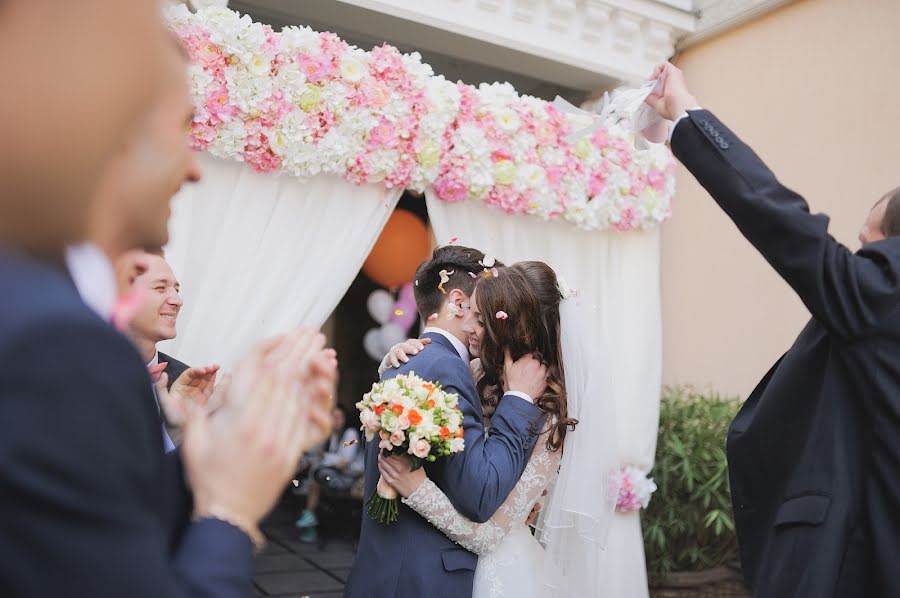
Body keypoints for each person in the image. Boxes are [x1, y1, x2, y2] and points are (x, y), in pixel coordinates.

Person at [0, 6, 339, 595]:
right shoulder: (56, 343)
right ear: (109, 133)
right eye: (179, 130)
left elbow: (84, 532)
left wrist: (223, 446)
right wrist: (231, 509)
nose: (193, 170)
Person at [643, 62, 900, 596]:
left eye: (867, 244)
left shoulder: (881, 297)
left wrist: (685, 112)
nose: (858, 261)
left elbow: (779, 218)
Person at [378, 261, 618, 597]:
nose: (468, 325)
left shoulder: (549, 414)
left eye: (479, 318)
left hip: (499, 574)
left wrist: (417, 489)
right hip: (442, 567)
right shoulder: (476, 371)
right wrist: (396, 357)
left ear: (511, 326)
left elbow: (488, 536)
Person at [345, 246, 549, 598]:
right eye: (485, 311)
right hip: (422, 579)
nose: (490, 324)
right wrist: (518, 401)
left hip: (385, 571)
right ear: (457, 302)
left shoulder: (404, 361)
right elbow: (479, 494)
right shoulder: (445, 366)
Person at [295, 405, 363, 543]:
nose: (334, 420)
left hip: (351, 478)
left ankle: (309, 516)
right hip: (334, 475)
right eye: (332, 417)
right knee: (315, 473)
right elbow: (328, 458)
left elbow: (345, 460)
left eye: (338, 417)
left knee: (317, 473)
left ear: (345, 419)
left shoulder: (350, 435)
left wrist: (324, 457)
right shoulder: (331, 436)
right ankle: (309, 517)